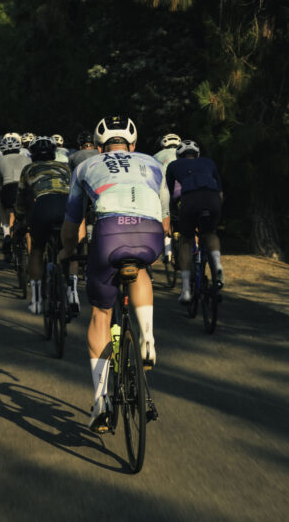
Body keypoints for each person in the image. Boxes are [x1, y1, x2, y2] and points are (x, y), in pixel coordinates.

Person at [59, 115, 170, 433]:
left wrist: (67, 252)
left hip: (108, 234)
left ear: (97, 147)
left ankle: (101, 401)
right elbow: (164, 221)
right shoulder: (153, 164)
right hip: (149, 234)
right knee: (141, 270)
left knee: (101, 313)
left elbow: (71, 224)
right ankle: (147, 337)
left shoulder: (84, 167)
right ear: (133, 145)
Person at [13, 136, 75, 314]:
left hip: (43, 207)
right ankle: (72, 293)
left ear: (32, 155)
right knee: (69, 249)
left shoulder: (29, 169)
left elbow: (21, 199)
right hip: (65, 207)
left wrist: (19, 218)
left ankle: (37, 299)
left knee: (38, 249)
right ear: (54, 154)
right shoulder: (65, 168)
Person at [166, 139, 224, 302]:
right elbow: (220, 193)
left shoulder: (173, 166)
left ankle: (185, 290)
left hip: (190, 199)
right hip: (212, 198)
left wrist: (172, 214)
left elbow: (169, 194)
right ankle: (217, 264)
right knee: (210, 233)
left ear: (179, 156)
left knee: (186, 240)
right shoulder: (209, 162)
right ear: (197, 154)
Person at [0, 133, 31, 257]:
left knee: (4, 208)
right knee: (27, 218)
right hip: (24, 189)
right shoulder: (27, 159)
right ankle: (30, 251)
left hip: (8, 188)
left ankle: (7, 234)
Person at [154, 133, 182, 263]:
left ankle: (168, 250)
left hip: (163, 188)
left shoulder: (156, 156)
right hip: (184, 189)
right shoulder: (184, 153)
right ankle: (196, 247)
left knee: (166, 214)